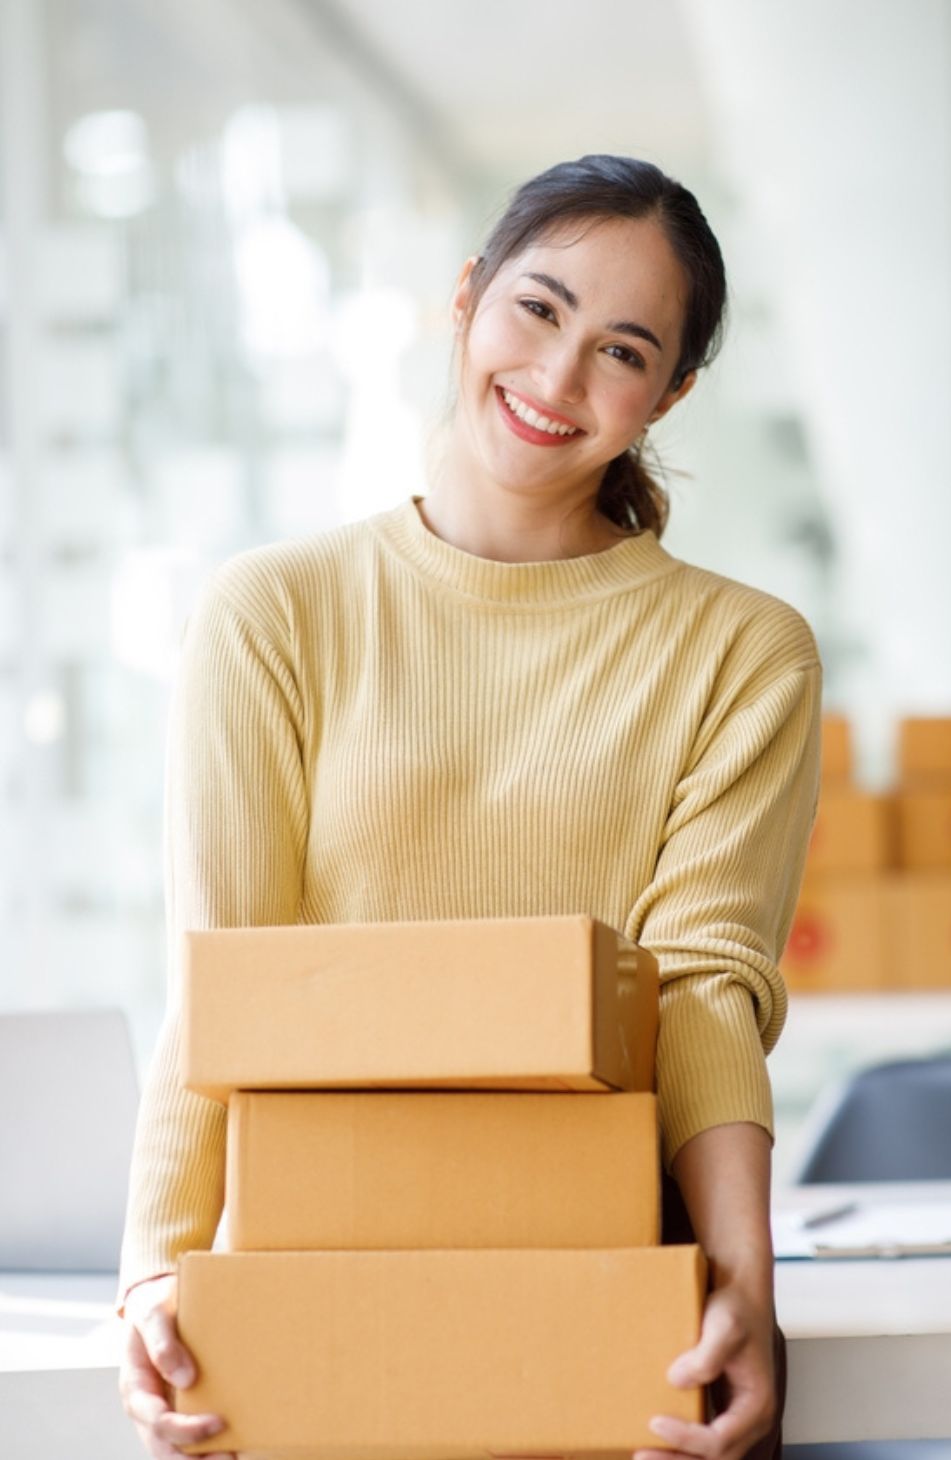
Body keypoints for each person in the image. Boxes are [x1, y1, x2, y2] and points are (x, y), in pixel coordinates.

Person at [117, 153, 821, 1460]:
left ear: (671, 392)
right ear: (467, 296)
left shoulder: (741, 650)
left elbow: (703, 989)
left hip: (606, 1307)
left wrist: (744, 1288)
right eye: (539, 310)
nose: (557, 381)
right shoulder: (274, 617)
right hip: (317, 1293)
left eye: (622, 351)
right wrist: (157, 1270)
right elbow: (225, 977)